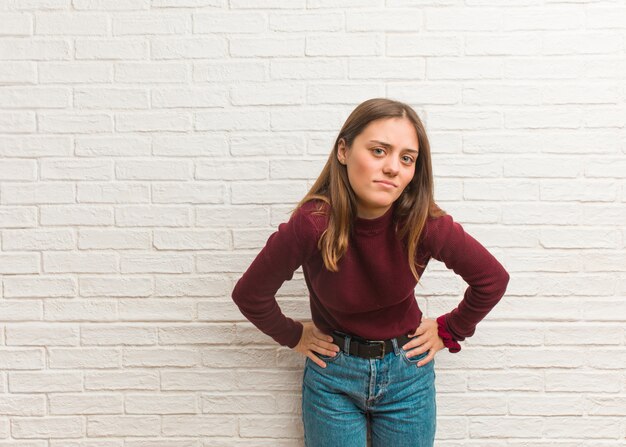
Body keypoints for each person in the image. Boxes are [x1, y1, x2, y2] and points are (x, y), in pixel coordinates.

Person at [231, 98, 510, 447]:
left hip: (408, 375)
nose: (393, 167)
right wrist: (293, 335)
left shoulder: (423, 223)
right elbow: (250, 295)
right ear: (344, 151)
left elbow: (492, 280)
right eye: (379, 151)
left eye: (406, 158)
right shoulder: (312, 224)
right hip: (333, 376)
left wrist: (450, 330)